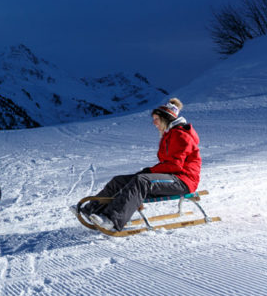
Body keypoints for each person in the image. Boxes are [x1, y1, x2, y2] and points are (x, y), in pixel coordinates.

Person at [83, 98, 201, 232]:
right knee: (119, 181)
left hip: (183, 181)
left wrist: (149, 172)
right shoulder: (170, 135)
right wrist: (149, 172)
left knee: (141, 181)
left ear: (165, 119)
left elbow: (175, 165)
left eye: (157, 119)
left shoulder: (180, 136)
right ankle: (91, 209)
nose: (154, 122)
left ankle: (112, 219)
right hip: (171, 176)